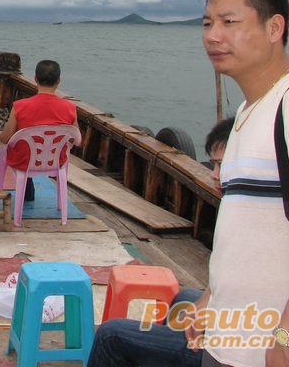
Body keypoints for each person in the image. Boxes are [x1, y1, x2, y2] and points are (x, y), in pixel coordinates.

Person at [198, 0, 289, 367]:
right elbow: (245, 229)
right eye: (208, 22)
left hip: (270, 348)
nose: (212, 35)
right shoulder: (247, 111)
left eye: (229, 22)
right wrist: (210, 298)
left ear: (274, 28)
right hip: (227, 339)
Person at [86, 117, 234, 367]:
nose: (214, 176)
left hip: (236, 343)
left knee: (110, 335)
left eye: (222, 166)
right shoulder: (239, 209)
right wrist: (205, 304)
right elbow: (227, 277)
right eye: (214, 166)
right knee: (184, 296)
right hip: (230, 315)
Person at [0, 59, 79, 203]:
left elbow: (6, 137)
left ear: (35, 79)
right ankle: (58, 203)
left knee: (9, 145)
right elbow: (77, 140)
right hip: (55, 161)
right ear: (58, 81)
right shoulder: (70, 108)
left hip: (24, 162)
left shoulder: (20, 106)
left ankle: (23, 186)